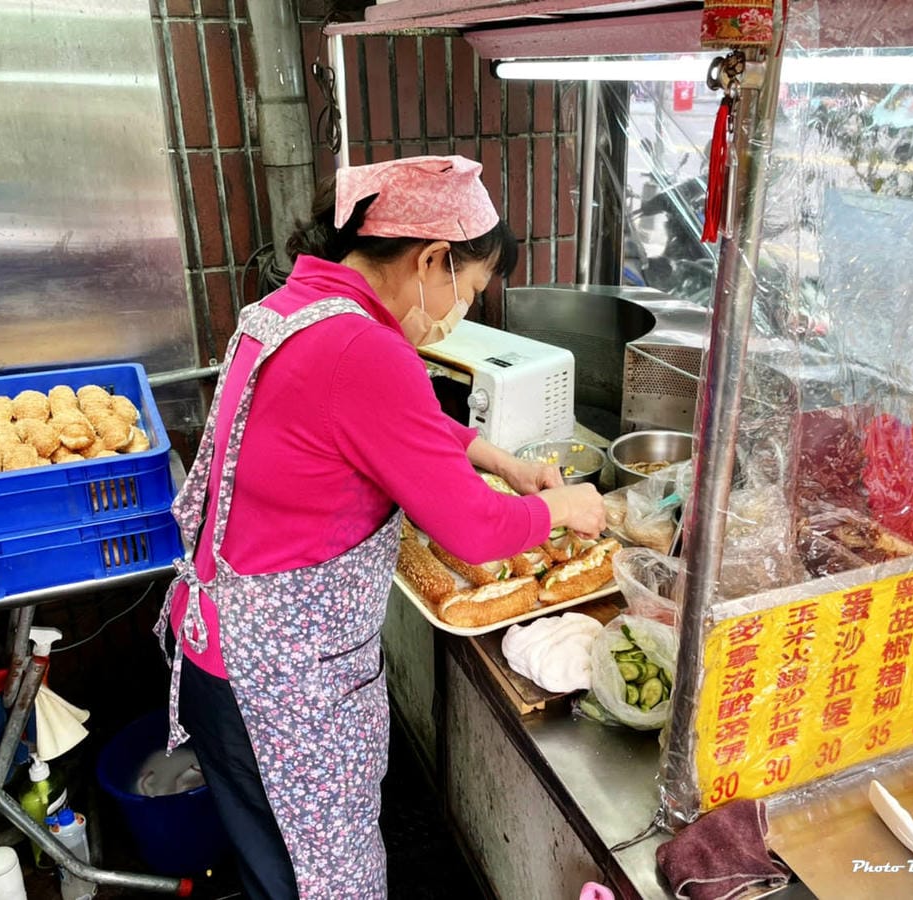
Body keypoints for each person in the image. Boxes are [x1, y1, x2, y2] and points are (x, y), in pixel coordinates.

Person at [154, 155, 606, 899]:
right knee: (321, 885)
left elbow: (400, 428)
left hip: (226, 653)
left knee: (278, 870)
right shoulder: (360, 348)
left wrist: (505, 462)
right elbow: (475, 529)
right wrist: (562, 506)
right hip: (281, 687)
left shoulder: (294, 307)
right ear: (432, 259)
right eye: (470, 292)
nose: (459, 313)